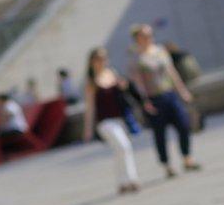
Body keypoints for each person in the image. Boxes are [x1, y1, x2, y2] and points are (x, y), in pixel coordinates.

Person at [128, 24, 200, 178]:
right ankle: (167, 165)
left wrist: (182, 91)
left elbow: (172, 72)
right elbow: (138, 83)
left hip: (169, 94)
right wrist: (144, 101)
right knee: (160, 133)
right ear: (137, 38)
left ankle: (187, 157)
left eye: (150, 34)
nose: (149, 37)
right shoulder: (136, 57)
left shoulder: (160, 51)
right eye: (145, 35)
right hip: (153, 98)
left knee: (183, 124)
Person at [83, 47, 141, 195]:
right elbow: (90, 108)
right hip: (105, 122)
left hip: (121, 119)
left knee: (119, 151)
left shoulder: (113, 74)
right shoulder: (91, 82)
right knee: (124, 146)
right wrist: (88, 130)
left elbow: (125, 93)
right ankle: (131, 180)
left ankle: (122, 183)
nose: (102, 62)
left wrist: (123, 86)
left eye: (104, 58)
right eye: (98, 59)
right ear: (92, 62)